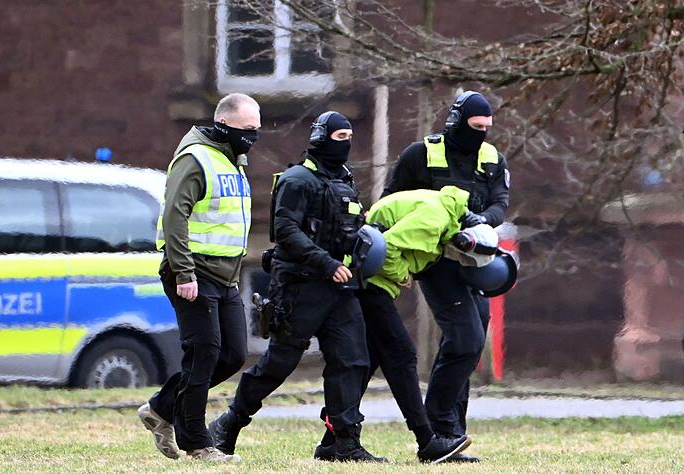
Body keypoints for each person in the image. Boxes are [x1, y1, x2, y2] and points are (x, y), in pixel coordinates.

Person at [208, 111, 385, 462]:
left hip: (340, 288)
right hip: (300, 287)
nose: (347, 143)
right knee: (280, 362)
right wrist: (326, 263)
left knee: (352, 360)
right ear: (320, 138)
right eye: (339, 137)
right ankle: (229, 423)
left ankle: (343, 443)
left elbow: (351, 231)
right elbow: (286, 231)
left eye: (350, 137)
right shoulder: (297, 180)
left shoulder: (345, 180)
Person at [313, 186, 508, 464]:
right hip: (370, 282)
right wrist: (402, 274)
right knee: (402, 356)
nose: (460, 262)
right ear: (464, 239)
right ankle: (427, 441)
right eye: (464, 258)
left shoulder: (446, 218)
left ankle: (333, 441)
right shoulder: (434, 220)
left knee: (366, 362)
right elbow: (387, 247)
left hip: (372, 281)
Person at [382, 90, 510, 463]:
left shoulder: (492, 159)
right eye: (475, 127)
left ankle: (453, 433)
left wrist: (480, 222)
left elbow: (500, 203)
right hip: (434, 260)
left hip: (475, 260)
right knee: (466, 339)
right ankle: (438, 425)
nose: (481, 135)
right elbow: (389, 204)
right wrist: (397, 259)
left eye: (486, 128)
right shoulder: (420, 155)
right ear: (456, 121)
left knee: (468, 343)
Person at [137, 93, 260, 463]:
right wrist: (184, 273)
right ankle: (198, 443)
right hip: (192, 271)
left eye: (256, 129)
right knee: (203, 352)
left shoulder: (232, 159)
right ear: (223, 124)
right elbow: (175, 216)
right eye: (247, 129)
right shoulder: (196, 158)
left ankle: (160, 408)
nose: (253, 137)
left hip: (225, 276)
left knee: (232, 354)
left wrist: (234, 275)